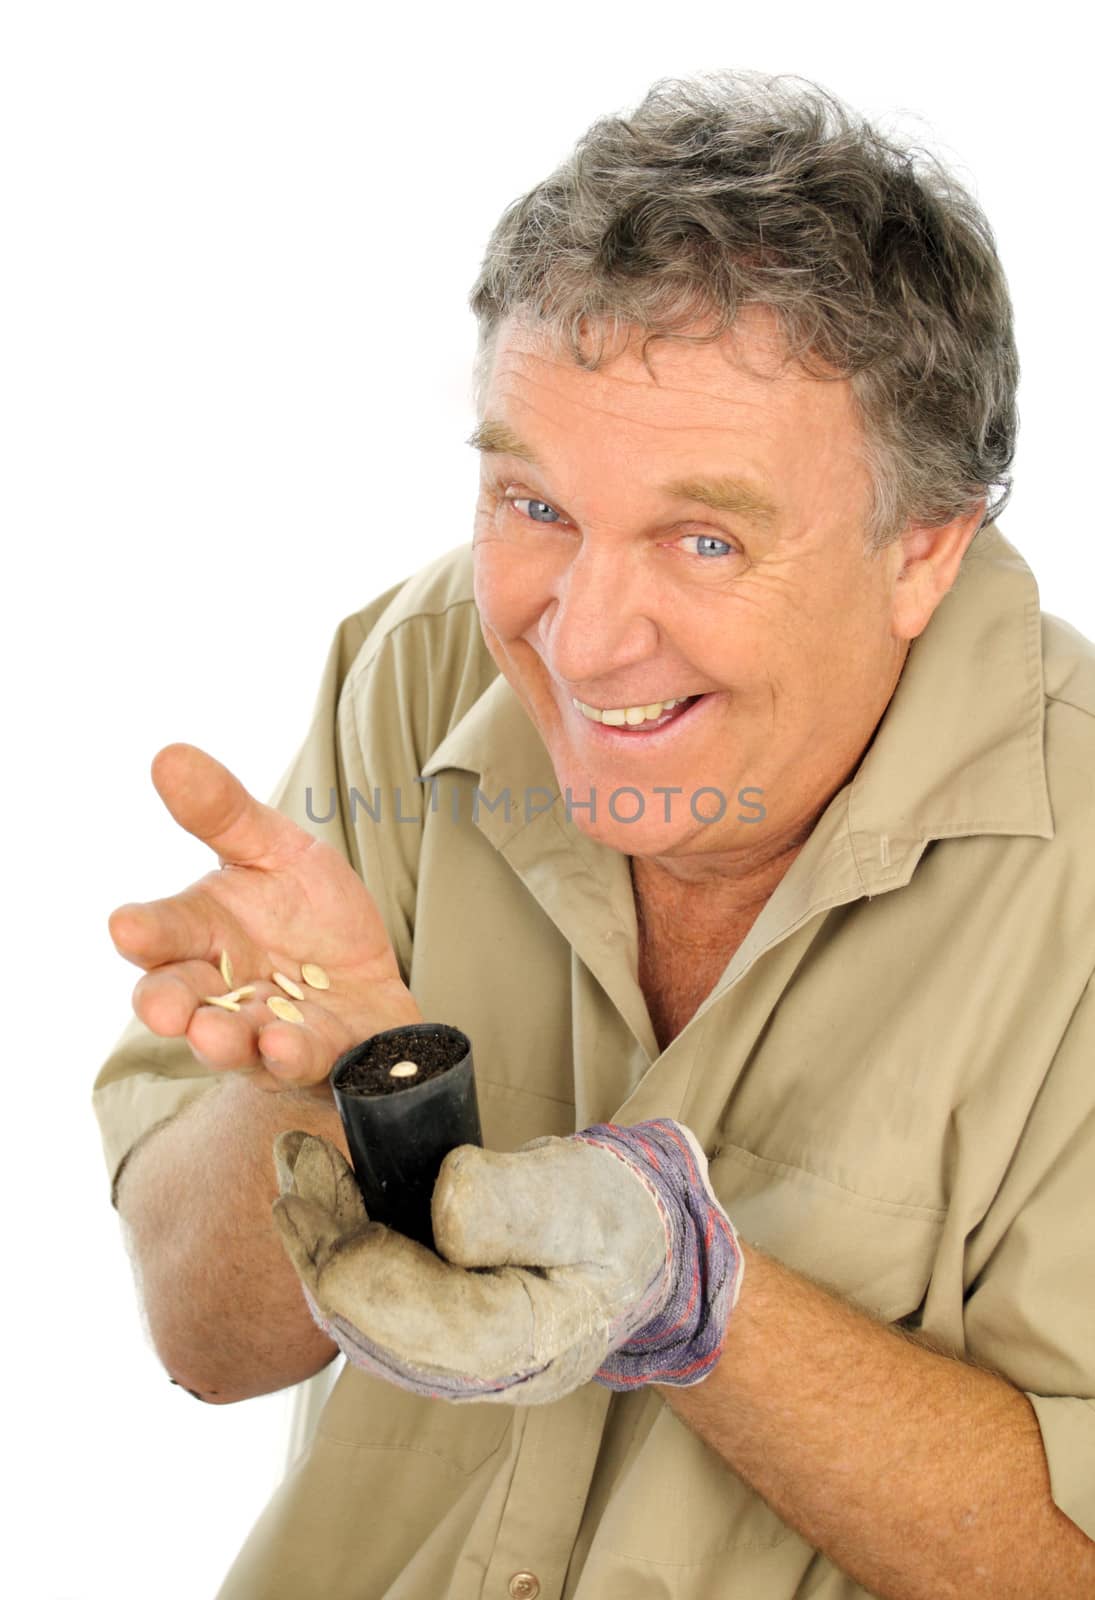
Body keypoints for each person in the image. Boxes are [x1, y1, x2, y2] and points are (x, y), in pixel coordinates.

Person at [93, 69, 1095, 1599]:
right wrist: (324, 1092)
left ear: (927, 550)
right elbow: (201, 1338)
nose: (587, 639)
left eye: (706, 538)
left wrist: (695, 1299)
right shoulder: (421, 664)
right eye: (535, 504)